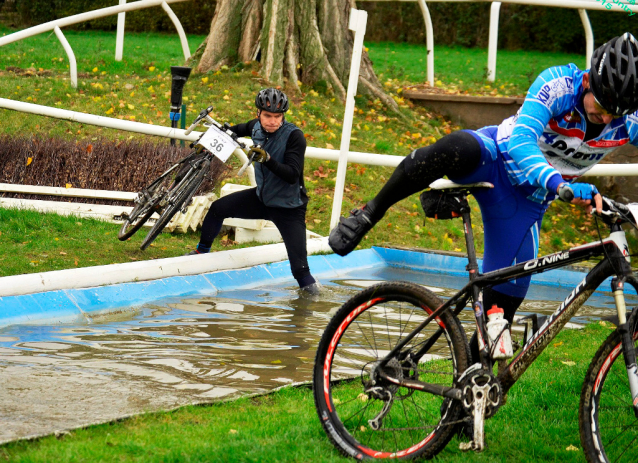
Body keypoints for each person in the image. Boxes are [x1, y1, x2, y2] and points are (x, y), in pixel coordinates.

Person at [329, 33, 638, 357]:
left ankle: (467, 397)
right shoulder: (559, 84)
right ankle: (370, 212)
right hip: (496, 158)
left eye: (615, 115)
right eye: (601, 107)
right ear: (589, 81)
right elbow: (521, 141)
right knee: (456, 148)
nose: (606, 119)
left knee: (498, 325)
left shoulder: (628, 118)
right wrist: (558, 184)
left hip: (526, 201)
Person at [190, 88, 320, 294]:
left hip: (289, 209)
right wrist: (207, 145)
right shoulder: (255, 127)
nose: (273, 121)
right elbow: (231, 131)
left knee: (301, 271)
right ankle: (200, 253)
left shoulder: (295, 136)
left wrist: (267, 160)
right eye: (268, 116)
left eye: (278, 117)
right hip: (261, 199)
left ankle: (310, 312)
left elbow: (292, 174)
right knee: (217, 208)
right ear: (258, 113)